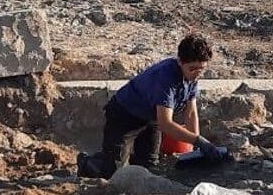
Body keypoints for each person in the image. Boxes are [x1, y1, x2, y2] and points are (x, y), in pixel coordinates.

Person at [78, 34, 222, 178]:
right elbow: (166, 124)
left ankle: (125, 159)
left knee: (149, 167)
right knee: (114, 173)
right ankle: (89, 162)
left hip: (151, 118)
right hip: (125, 116)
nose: (197, 73)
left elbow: (190, 113)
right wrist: (198, 140)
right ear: (180, 61)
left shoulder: (191, 77)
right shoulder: (166, 78)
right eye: (192, 68)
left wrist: (196, 147)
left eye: (201, 69)